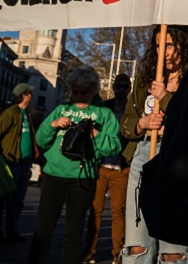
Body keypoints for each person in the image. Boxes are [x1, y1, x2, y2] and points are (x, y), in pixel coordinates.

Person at [122, 25, 188, 264]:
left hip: (179, 159)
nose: (163, 52)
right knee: (136, 245)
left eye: (169, 45)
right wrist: (142, 123)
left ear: (183, 45)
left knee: (174, 250)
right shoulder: (146, 80)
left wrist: (165, 98)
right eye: (158, 45)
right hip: (145, 154)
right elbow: (125, 122)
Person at [29, 67, 121, 264]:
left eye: (84, 92)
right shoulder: (61, 109)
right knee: (42, 229)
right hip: (53, 175)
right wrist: (53, 125)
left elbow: (114, 147)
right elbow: (41, 140)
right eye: (76, 91)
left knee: (74, 231)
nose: (79, 97)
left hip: (81, 178)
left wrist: (95, 134)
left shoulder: (104, 114)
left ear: (94, 91)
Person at [85, 72, 133, 264]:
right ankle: (90, 251)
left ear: (129, 89)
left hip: (121, 168)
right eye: (118, 86)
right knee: (95, 210)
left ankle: (117, 252)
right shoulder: (105, 107)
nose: (121, 89)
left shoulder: (132, 109)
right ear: (113, 87)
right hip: (101, 166)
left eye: (124, 86)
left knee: (117, 212)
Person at [0, 81, 38, 242]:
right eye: (30, 92)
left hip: (24, 163)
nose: (32, 95)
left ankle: (11, 230)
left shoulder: (27, 114)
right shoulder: (11, 113)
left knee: (17, 201)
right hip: (11, 161)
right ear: (23, 95)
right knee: (6, 199)